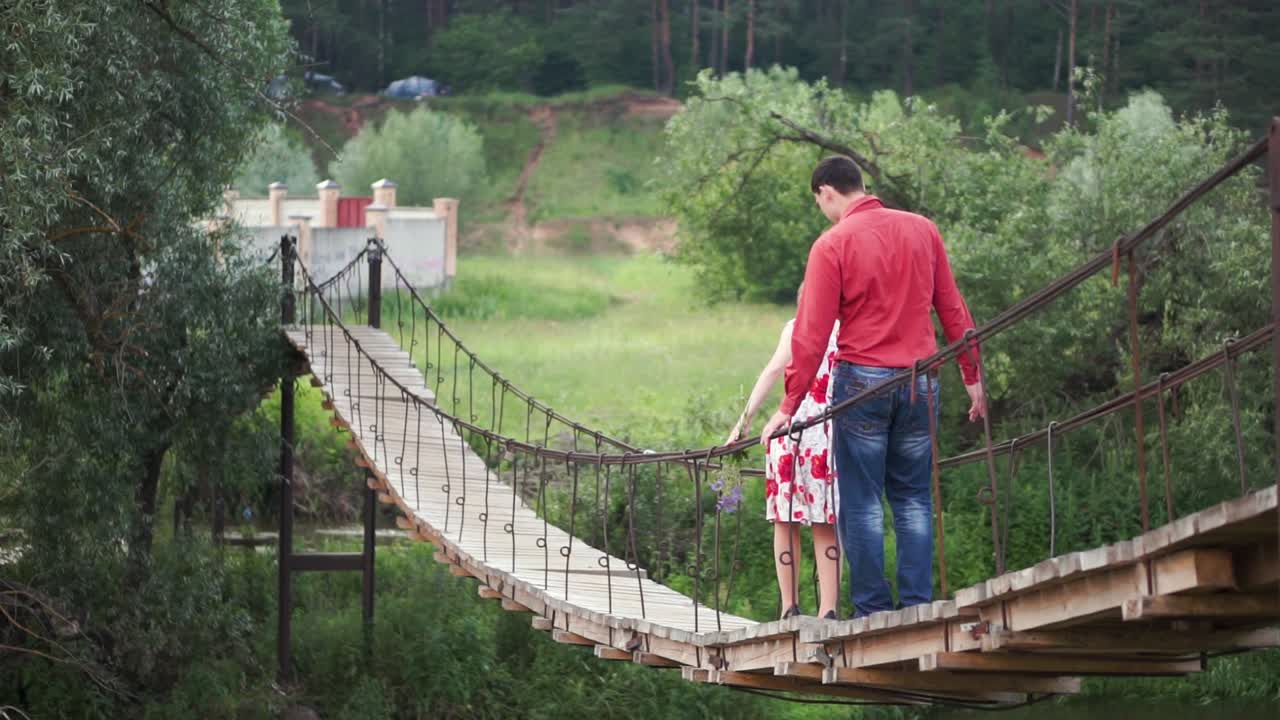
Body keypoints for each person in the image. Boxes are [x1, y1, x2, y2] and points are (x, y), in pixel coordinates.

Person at [759, 156, 985, 618]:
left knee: (862, 503)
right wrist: (972, 374)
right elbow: (953, 308)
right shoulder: (924, 229)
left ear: (826, 192)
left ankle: (873, 612)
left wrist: (788, 404)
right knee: (914, 498)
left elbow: (811, 334)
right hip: (921, 381)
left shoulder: (832, 244)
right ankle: (919, 605)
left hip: (861, 384)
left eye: (820, 201)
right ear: (861, 184)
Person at [726, 284, 840, 620]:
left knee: (785, 519)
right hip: (827, 434)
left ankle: (789, 605)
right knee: (824, 521)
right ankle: (829, 609)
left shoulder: (795, 328)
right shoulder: (846, 330)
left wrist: (743, 422)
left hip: (789, 431)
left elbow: (773, 371)